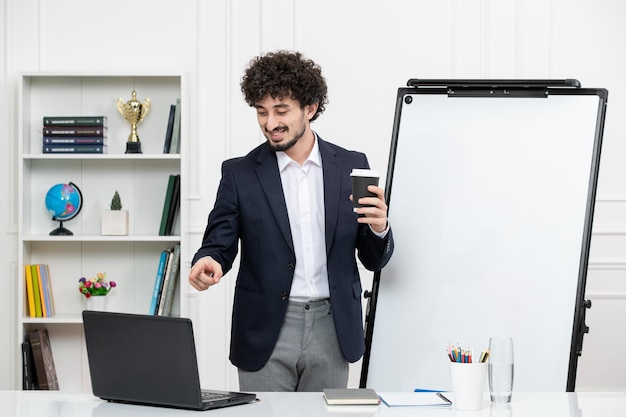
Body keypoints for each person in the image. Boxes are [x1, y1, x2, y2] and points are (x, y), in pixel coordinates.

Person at [189, 50, 394, 392]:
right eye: (262, 112)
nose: (270, 123)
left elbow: (373, 259)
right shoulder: (239, 174)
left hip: (333, 329)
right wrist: (208, 259)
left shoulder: (350, 166)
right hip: (265, 329)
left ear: (310, 108)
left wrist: (378, 227)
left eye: (281, 111)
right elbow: (218, 242)